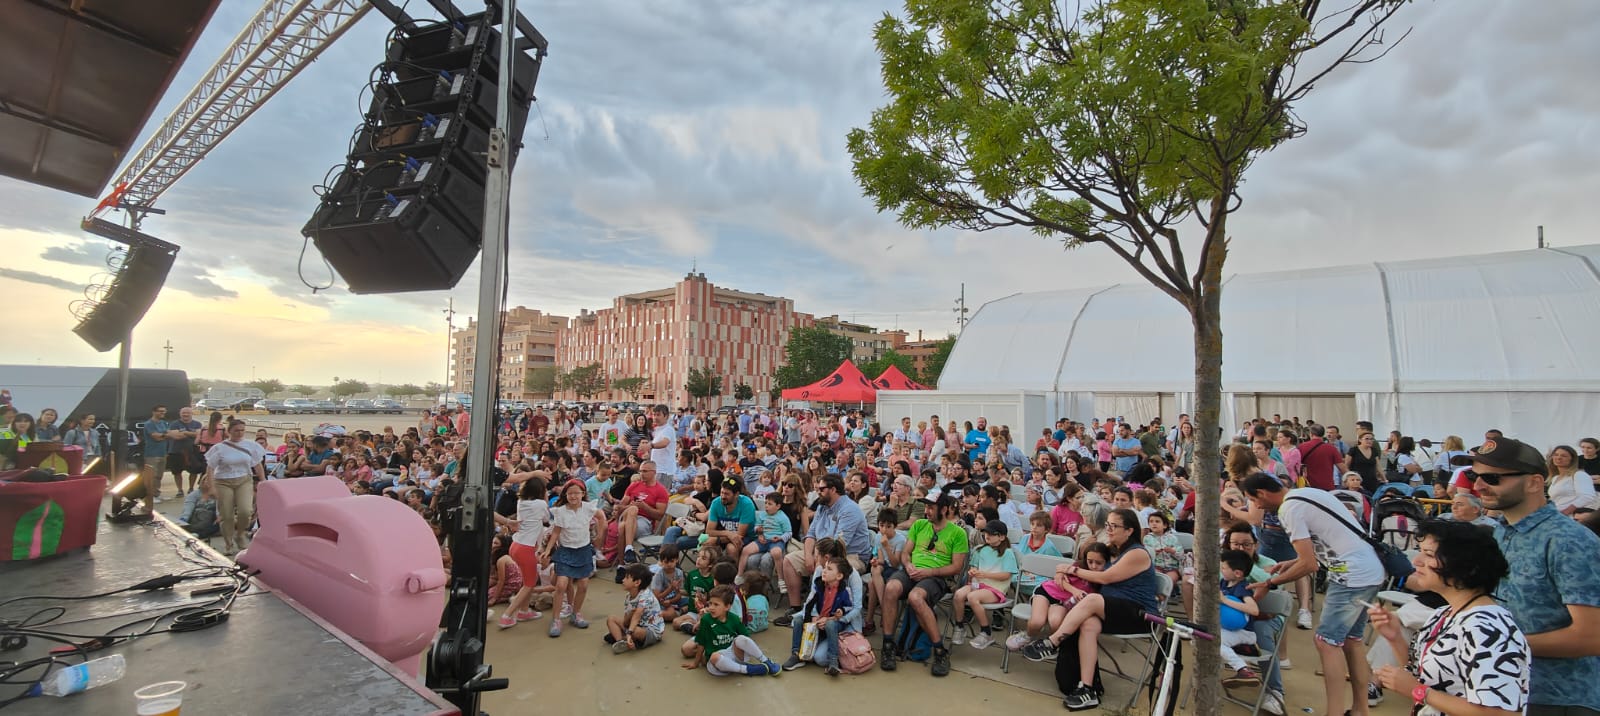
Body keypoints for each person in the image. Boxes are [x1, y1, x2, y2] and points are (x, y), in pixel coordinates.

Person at [1471, 437, 1600, 716]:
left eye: (1491, 478)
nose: (1477, 486)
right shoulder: (1500, 531)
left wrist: (1497, 644)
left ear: (1533, 482)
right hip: (1503, 689)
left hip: (1558, 698)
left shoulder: (1569, 540)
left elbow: (1592, 636)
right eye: (1475, 476)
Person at [1242, 473, 1384, 716]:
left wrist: (1271, 582)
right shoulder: (1306, 492)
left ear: (1262, 494)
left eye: (1253, 501)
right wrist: (1291, 563)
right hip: (1370, 569)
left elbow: (1309, 565)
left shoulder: (1289, 509)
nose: (1256, 507)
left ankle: (1334, 712)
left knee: (1326, 642)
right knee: (1352, 641)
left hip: (1350, 576)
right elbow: (1325, 543)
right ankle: (1360, 709)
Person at [1368, 519, 1530, 716]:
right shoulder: (1444, 613)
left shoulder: (1487, 628)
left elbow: (1503, 713)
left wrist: (1419, 692)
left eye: (1428, 554)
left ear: (1466, 566)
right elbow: (1427, 677)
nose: (1416, 561)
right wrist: (1395, 638)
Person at [1019, 508, 1159, 711]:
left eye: (1114, 526)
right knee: (1088, 623)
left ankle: (1053, 641)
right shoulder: (1115, 550)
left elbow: (1104, 578)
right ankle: (1087, 688)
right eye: (1108, 525)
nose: (1108, 529)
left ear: (1129, 530)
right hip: (1110, 609)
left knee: (1092, 600)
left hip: (1139, 613)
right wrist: (1064, 571)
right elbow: (1087, 563)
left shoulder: (1137, 552)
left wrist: (1071, 569)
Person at [879, 489, 969, 676]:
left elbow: (957, 567)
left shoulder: (958, 533)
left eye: (931, 507)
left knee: (916, 597)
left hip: (937, 577)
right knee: (891, 587)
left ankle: (939, 650)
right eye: (926, 506)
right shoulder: (919, 525)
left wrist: (929, 572)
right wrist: (908, 564)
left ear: (944, 509)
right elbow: (905, 553)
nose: (926, 511)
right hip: (912, 571)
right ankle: (888, 643)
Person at [777, 473, 873, 624]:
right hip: (821, 552)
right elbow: (811, 534)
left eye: (821, 488)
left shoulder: (850, 509)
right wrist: (809, 555)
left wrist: (818, 559)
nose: (817, 491)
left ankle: (826, 615)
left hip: (850, 556)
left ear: (833, 490)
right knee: (789, 560)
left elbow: (838, 545)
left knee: (824, 569)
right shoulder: (822, 506)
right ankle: (797, 608)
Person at [542, 479, 605, 637]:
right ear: (565, 495)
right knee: (561, 585)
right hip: (565, 551)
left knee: (583, 585)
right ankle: (556, 619)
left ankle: (576, 613)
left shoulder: (588, 508)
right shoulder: (561, 511)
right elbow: (556, 532)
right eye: (570, 493)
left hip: (583, 550)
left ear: (583, 494)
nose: (573, 496)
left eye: (577, 493)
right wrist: (548, 550)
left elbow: (601, 517)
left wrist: (599, 535)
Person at [782, 556, 858, 674]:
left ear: (839, 576)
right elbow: (808, 605)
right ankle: (796, 654)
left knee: (831, 625)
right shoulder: (819, 586)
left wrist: (841, 611)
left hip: (833, 623)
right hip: (817, 621)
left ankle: (833, 661)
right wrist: (812, 619)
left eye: (829, 569)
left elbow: (850, 606)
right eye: (825, 568)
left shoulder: (844, 590)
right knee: (797, 620)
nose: (824, 571)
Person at [951, 520, 1018, 650]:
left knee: (972, 597)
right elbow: (973, 568)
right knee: (958, 595)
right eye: (986, 533)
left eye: (992, 534)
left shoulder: (1008, 553)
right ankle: (959, 626)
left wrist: (986, 575)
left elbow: (1006, 575)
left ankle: (986, 632)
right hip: (978, 584)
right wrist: (972, 572)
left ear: (1002, 537)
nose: (987, 536)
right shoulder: (979, 550)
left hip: (995, 588)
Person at [684, 585, 781, 676]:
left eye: (716, 604)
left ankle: (766, 661)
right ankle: (748, 670)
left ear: (727, 606)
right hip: (717, 662)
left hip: (732, 654)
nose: (711, 607)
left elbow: (746, 638)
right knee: (714, 656)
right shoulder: (706, 620)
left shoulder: (734, 618)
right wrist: (695, 663)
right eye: (710, 604)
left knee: (741, 638)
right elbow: (701, 643)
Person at [202, 419, 265, 555]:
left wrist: (263, 481)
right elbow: (210, 468)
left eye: (242, 430)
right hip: (223, 481)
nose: (239, 433)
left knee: (245, 511)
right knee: (227, 515)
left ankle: (240, 534)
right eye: (236, 430)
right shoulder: (219, 448)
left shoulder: (250, 445)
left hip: (244, 479)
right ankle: (228, 542)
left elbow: (257, 465)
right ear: (229, 431)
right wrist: (211, 486)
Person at [499, 478, 550, 629]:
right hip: (526, 548)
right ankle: (507, 615)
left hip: (516, 545)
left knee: (529, 579)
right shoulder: (540, 504)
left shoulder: (521, 502)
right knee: (529, 584)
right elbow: (546, 518)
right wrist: (545, 499)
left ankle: (524, 611)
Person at [1218, 550, 1263, 687]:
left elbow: (1254, 610)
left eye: (1224, 568)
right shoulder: (1224, 583)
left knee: (1214, 641)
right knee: (1200, 638)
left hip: (1245, 632)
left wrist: (1225, 601)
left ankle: (1244, 671)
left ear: (1237, 573)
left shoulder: (1242, 587)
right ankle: (1243, 649)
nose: (1221, 570)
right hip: (1228, 629)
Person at [607, 564, 664, 654]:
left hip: (651, 631)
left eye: (627, 578)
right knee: (611, 619)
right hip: (635, 625)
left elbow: (637, 615)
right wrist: (630, 614)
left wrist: (629, 632)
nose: (623, 580)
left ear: (637, 582)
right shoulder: (628, 596)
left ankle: (624, 637)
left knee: (635, 631)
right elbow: (626, 622)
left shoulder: (646, 596)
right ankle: (620, 642)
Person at [1546, 445, 1597, 516]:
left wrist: (1565, 512)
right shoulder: (1555, 478)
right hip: (1556, 515)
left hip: (1571, 517)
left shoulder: (1579, 475)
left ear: (1572, 459)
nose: (1559, 458)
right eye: (1556, 455)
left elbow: (1587, 497)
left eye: (1564, 456)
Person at [139, 405, 172, 510]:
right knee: (151, 476)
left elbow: (167, 434)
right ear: (154, 412)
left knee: (159, 475)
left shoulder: (163, 423)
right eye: (160, 411)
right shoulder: (149, 424)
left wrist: (165, 435)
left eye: (164, 411)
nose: (163, 413)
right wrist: (166, 435)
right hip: (152, 453)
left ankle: (156, 494)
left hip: (163, 452)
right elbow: (156, 437)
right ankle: (149, 496)